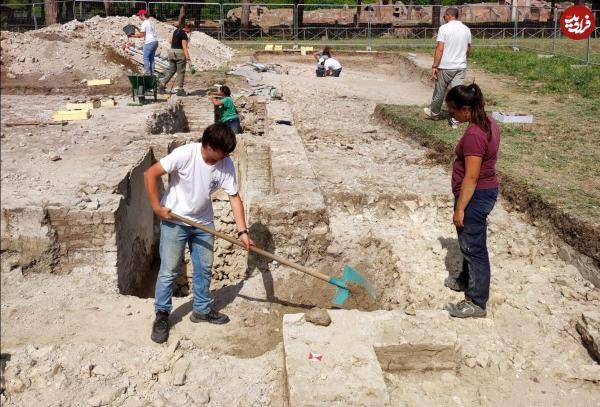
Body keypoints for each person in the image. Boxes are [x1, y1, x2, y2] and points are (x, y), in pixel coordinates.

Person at [144, 123, 255, 343]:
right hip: (175, 220)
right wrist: (157, 207)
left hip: (204, 224)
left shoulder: (225, 163)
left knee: (204, 268)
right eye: (220, 154)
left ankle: (201, 309)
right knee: (169, 269)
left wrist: (243, 231)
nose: (222, 159)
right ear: (208, 146)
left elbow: (234, 197)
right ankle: (162, 314)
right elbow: (150, 173)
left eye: (225, 155)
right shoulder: (185, 154)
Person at [443, 84, 500, 319]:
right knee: (468, 241)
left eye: (453, 111)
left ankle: (476, 302)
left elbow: (472, 176)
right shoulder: (488, 122)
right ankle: (466, 280)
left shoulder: (475, 135)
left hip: (475, 196)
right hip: (481, 193)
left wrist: (460, 208)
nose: (452, 116)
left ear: (465, 109)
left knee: (474, 248)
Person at [423, 7, 471, 129]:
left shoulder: (444, 29)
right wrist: (462, 59)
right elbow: (468, 49)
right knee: (457, 94)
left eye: (444, 17)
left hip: (446, 66)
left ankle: (434, 113)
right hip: (460, 66)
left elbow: (440, 48)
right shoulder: (466, 29)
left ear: (448, 15)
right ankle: (456, 120)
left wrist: (435, 65)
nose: (443, 19)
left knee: (440, 91)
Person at [159, 22, 193, 97]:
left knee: (171, 70)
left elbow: (170, 41)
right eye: (190, 29)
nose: (190, 31)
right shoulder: (184, 35)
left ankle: (161, 85)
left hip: (171, 52)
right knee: (180, 72)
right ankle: (180, 90)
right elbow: (184, 47)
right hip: (179, 53)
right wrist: (189, 59)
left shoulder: (176, 31)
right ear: (188, 28)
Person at [128, 9, 159, 75]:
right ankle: (152, 73)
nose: (139, 17)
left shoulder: (144, 23)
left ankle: (147, 74)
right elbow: (145, 32)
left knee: (146, 58)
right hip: (155, 41)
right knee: (151, 58)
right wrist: (136, 28)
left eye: (139, 15)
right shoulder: (150, 22)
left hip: (149, 42)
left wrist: (131, 35)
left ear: (142, 15)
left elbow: (141, 35)